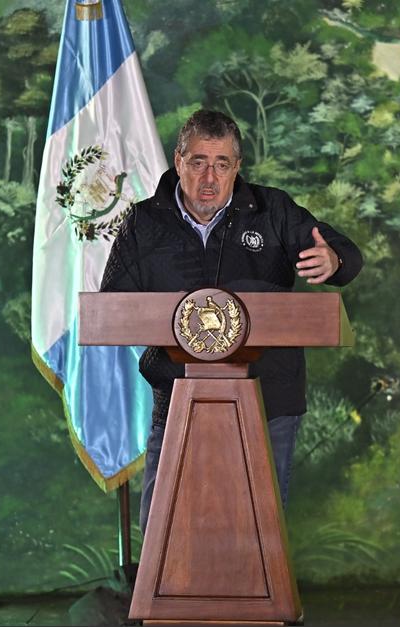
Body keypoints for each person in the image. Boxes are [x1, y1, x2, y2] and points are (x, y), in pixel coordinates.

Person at [100, 109, 363, 532]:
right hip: (177, 399)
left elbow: (342, 252)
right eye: (198, 162)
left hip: (270, 400)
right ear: (178, 161)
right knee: (164, 538)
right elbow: (112, 308)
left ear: (237, 167)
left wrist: (335, 259)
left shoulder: (273, 210)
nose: (210, 177)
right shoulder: (143, 222)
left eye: (222, 164)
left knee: (257, 539)